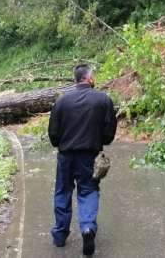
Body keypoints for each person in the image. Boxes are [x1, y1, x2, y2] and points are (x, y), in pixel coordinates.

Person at [48, 63, 118, 256]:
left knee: (63, 191)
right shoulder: (103, 99)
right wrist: (98, 141)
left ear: (75, 79)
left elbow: (53, 133)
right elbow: (109, 131)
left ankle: (60, 235)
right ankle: (87, 228)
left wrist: (62, 144)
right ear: (89, 78)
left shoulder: (62, 101)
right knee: (88, 191)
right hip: (89, 154)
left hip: (65, 155)